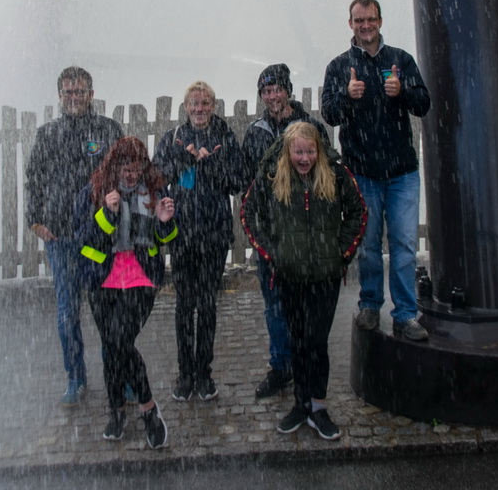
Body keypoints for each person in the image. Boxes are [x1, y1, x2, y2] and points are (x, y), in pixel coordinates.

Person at [241, 121, 366, 440]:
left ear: (318, 150)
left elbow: (358, 213)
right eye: (298, 152)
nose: (305, 158)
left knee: (317, 342)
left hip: (325, 275)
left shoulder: (337, 174)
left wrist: (341, 253)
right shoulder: (272, 176)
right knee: (297, 341)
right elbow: (248, 214)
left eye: (310, 151)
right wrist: (273, 253)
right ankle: (300, 405)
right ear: (288, 151)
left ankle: (318, 407)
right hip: (290, 274)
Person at [321, 0, 431, 341]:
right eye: (359, 20)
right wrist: (347, 96)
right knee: (368, 246)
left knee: (404, 245)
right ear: (350, 24)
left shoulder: (400, 60)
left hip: (402, 173)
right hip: (361, 173)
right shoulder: (339, 66)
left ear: (380, 21)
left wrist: (402, 90)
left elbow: (423, 104)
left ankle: (406, 314)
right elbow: (329, 115)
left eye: (370, 19)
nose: (365, 26)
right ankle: (370, 304)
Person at [25, 66, 123, 405]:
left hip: (100, 236)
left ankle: (119, 377)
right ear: (59, 95)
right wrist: (35, 220)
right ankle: (75, 377)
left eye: (80, 92)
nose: (74, 98)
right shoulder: (48, 134)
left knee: (108, 312)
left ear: (91, 95)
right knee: (67, 312)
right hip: (61, 237)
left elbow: (126, 174)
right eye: (68, 92)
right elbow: (34, 179)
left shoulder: (108, 130)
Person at [74, 137, 177, 449]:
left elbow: (167, 238)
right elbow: (84, 240)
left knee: (120, 341)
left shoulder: (155, 191)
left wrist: (165, 223)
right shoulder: (94, 192)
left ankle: (148, 408)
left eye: (137, 169)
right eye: (126, 169)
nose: (132, 176)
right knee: (112, 347)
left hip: (141, 277)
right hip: (102, 279)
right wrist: (107, 214)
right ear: (114, 167)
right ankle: (116, 410)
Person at [241, 63, 332, 398]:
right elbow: (247, 182)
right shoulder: (255, 132)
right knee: (275, 306)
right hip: (272, 235)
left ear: (288, 91)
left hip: (307, 234)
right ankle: (281, 367)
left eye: (277, 89)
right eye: (266, 91)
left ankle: (307, 369)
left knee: (308, 307)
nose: (272, 96)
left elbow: (328, 175)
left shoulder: (310, 127)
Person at [153, 80, 246, 401]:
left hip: (214, 234)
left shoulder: (225, 138)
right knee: (184, 305)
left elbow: (237, 181)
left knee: (206, 304)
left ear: (213, 106)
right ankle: (185, 373)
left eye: (205, 103)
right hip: (181, 235)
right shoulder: (172, 138)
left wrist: (212, 164)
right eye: (194, 103)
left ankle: (204, 373)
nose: (199, 109)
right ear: (185, 107)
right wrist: (182, 160)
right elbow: (156, 177)